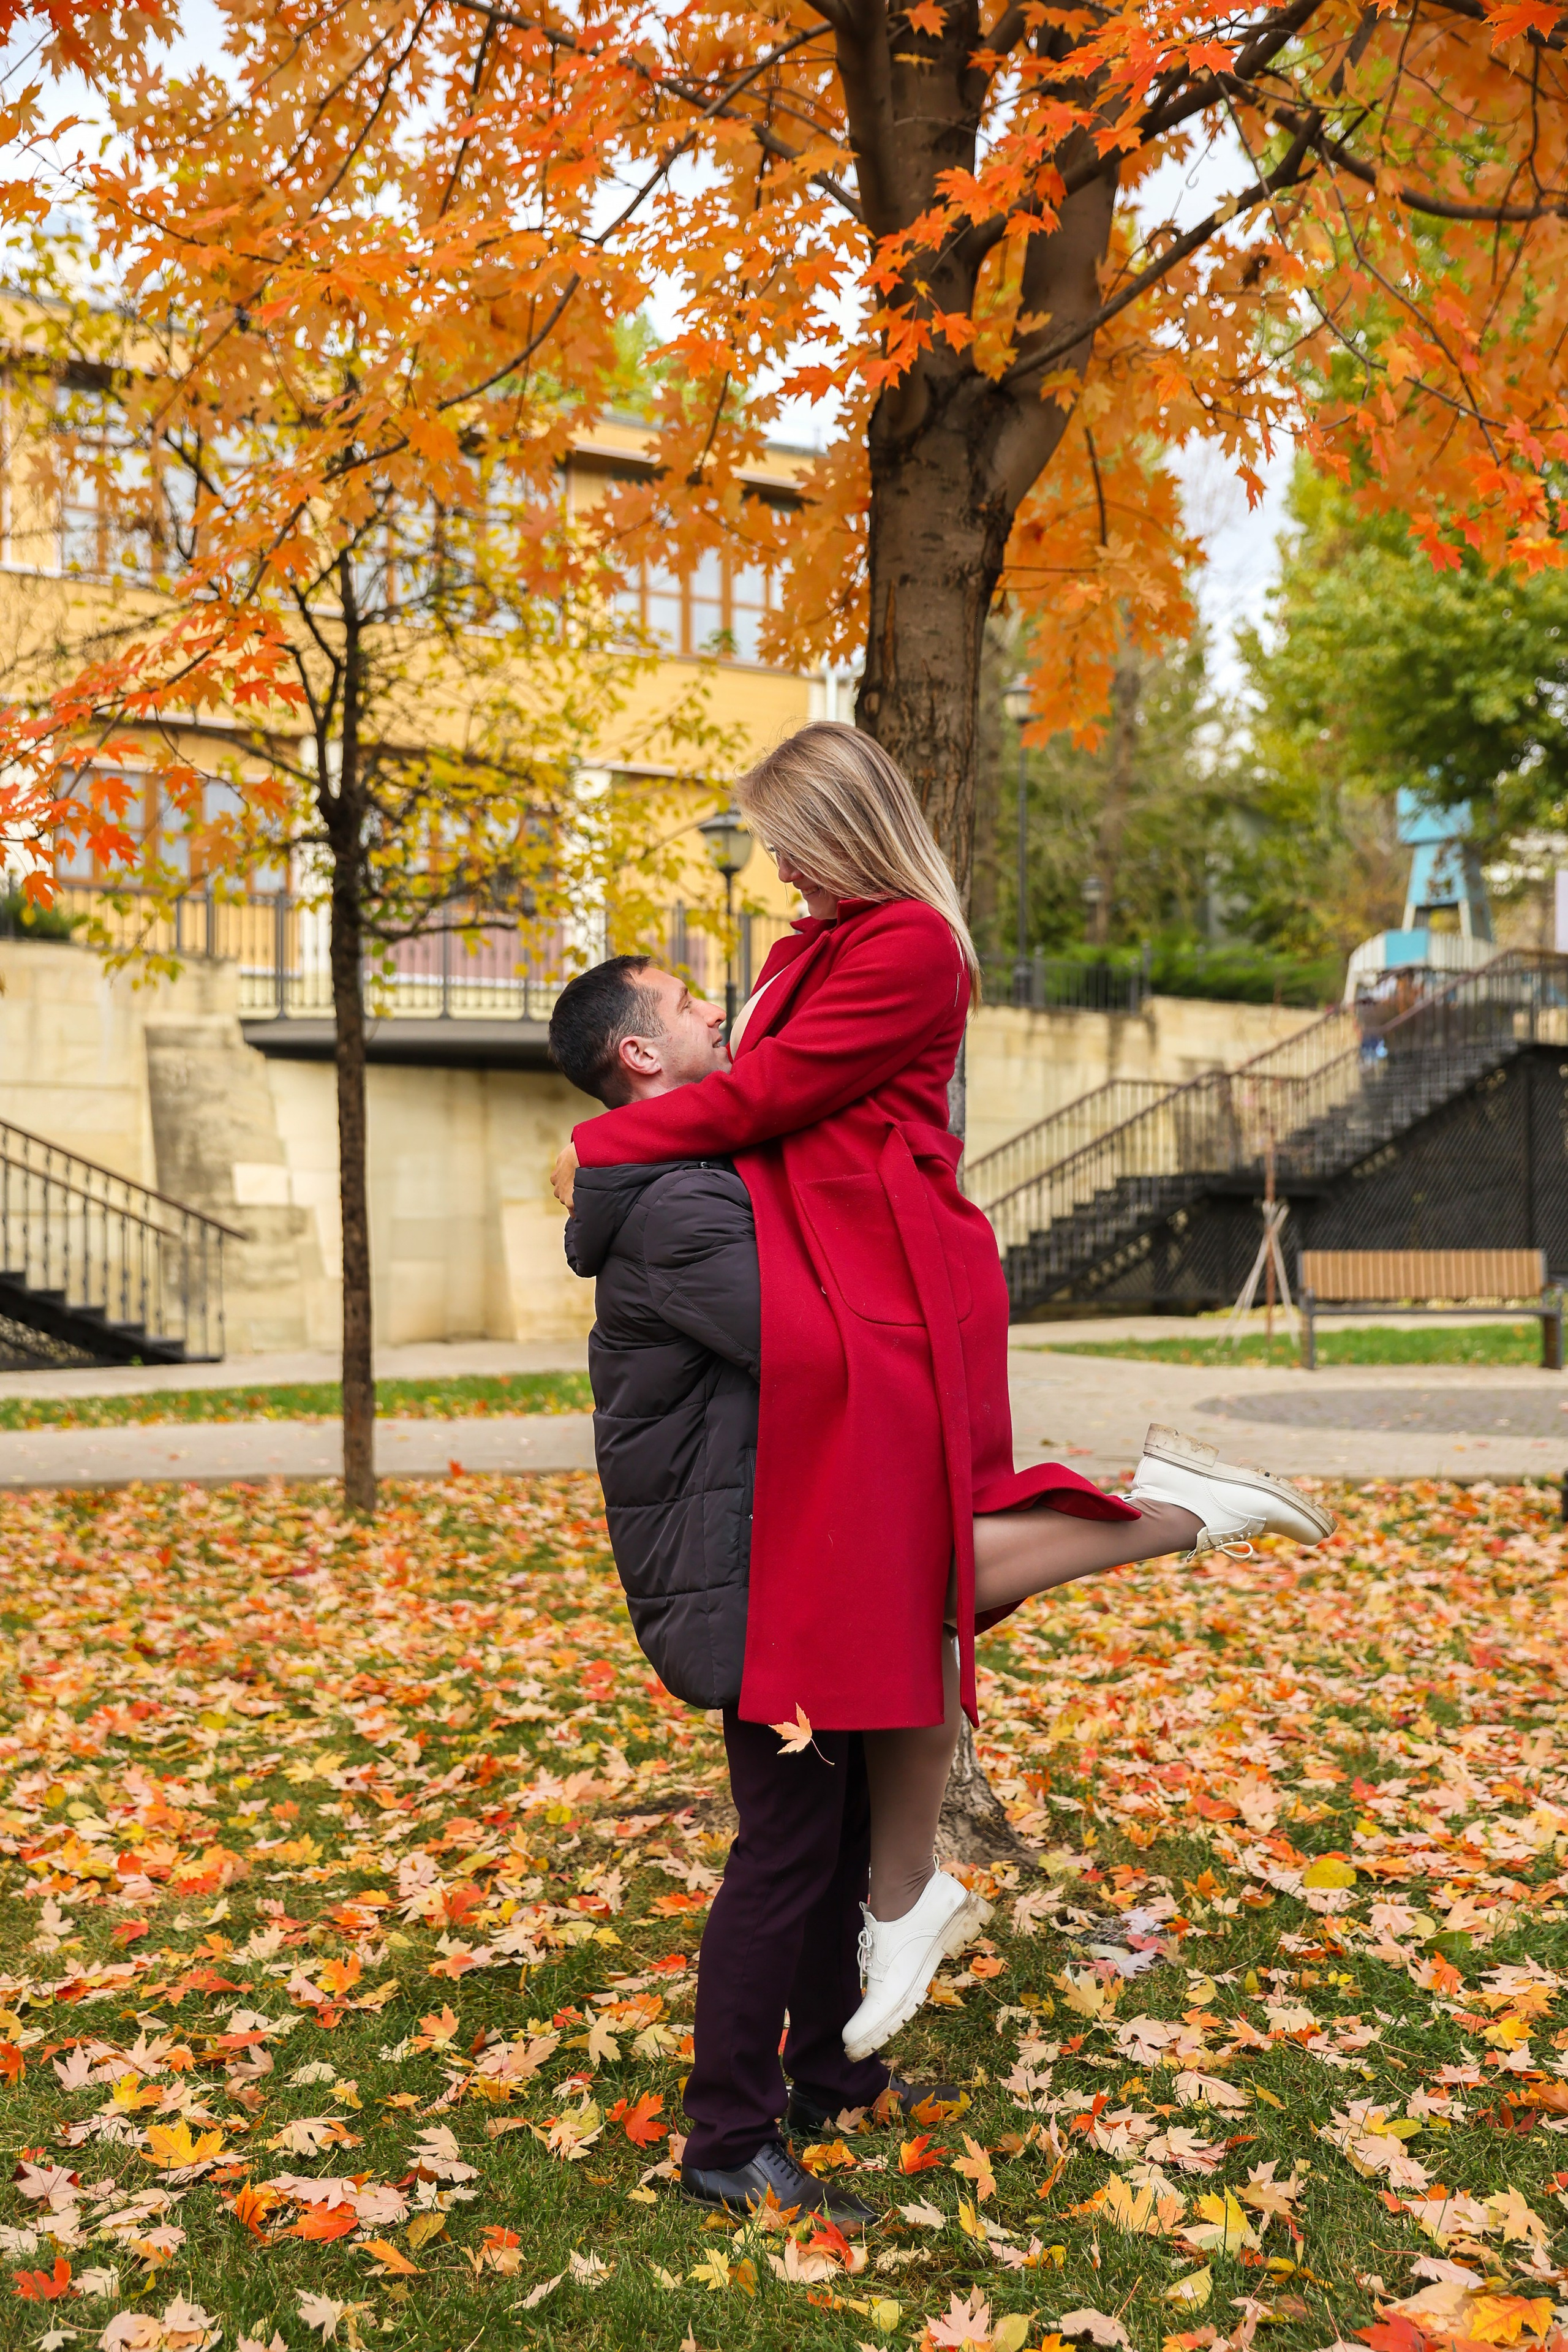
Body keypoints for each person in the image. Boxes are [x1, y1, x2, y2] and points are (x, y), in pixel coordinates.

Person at [551, 724, 1335, 2101]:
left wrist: (602, 1143)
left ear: (839, 827)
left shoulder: (909, 945)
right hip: (837, 1286)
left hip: (890, 1287)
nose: (777, 871)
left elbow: (770, 1094)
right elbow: (755, 1104)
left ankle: (1168, 1518)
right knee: (904, 1604)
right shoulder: (806, 953)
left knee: (917, 1574)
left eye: (787, 842)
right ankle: (894, 1912)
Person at [549, 953, 962, 2231]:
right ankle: (727, 2137)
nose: (715, 1010)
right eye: (685, 1003)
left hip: (786, 1556)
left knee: (833, 1830)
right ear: (639, 1056)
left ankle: (826, 2074)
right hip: (745, 1580)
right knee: (785, 1844)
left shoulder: (694, 1176)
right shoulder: (677, 1205)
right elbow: (814, 1342)